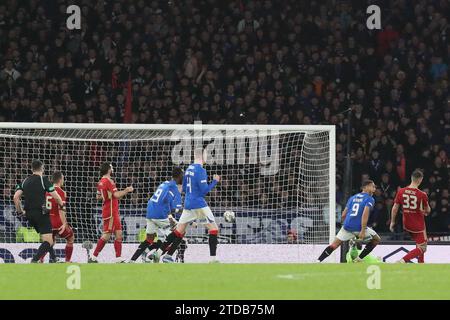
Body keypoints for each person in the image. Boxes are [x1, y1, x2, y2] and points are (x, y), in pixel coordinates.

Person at [153, 148, 220, 263]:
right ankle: (213, 259)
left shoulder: (188, 169)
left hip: (188, 203)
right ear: (203, 156)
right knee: (213, 229)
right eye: (206, 155)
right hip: (198, 204)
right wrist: (215, 181)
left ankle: (158, 252)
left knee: (178, 231)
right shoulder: (201, 170)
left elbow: (183, 188)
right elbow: (204, 191)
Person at [13, 160, 65, 263]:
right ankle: (34, 260)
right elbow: (57, 197)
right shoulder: (43, 179)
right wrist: (62, 205)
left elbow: (15, 197)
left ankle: (54, 258)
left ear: (32, 169)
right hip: (41, 213)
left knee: (46, 238)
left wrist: (20, 211)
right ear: (42, 168)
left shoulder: (25, 180)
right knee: (49, 241)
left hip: (29, 214)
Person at [317, 180, 381, 262]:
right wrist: (362, 230)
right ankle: (359, 258)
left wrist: (344, 225)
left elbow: (344, 214)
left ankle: (318, 261)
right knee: (376, 239)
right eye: (373, 186)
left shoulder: (352, 198)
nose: (374, 189)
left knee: (334, 245)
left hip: (347, 226)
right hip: (359, 227)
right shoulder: (369, 199)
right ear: (366, 187)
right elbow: (365, 213)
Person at [129, 167, 183, 262]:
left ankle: (132, 260)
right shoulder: (173, 187)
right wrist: (171, 217)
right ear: (179, 176)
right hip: (160, 214)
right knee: (180, 232)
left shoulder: (165, 183)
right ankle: (167, 257)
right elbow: (166, 200)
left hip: (150, 211)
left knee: (150, 238)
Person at [89, 162, 134, 263]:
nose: (112, 169)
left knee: (119, 234)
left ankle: (118, 258)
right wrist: (127, 190)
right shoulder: (109, 181)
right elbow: (117, 195)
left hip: (111, 210)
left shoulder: (101, 181)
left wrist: (109, 196)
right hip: (110, 212)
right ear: (109, 170)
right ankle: (93, 257)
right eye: (111, 167)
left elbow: (98, 196)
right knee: (106, 235)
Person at [390, 169, 431, 263]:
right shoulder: (422, 194)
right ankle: (403, 260)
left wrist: (392, 222)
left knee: (419, 243)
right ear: (420, 180)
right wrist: (424, 211)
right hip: (418, 225)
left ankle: (421, 264)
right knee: (423, 247)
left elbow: (395, 208)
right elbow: (428, 210)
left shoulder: (401, 191)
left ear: (411, 178)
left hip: (407, 224)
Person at [45, 171, 75, 262]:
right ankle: (67, 261)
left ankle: (40, 260)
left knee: (50, 242)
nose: (63, 181)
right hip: (58, 221)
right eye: (63, 179)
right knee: (70, 238)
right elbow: (61, 209)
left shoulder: (47, 191)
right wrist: (64, 223)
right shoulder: (61, 192)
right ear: (60, 179)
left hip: (48, 221)